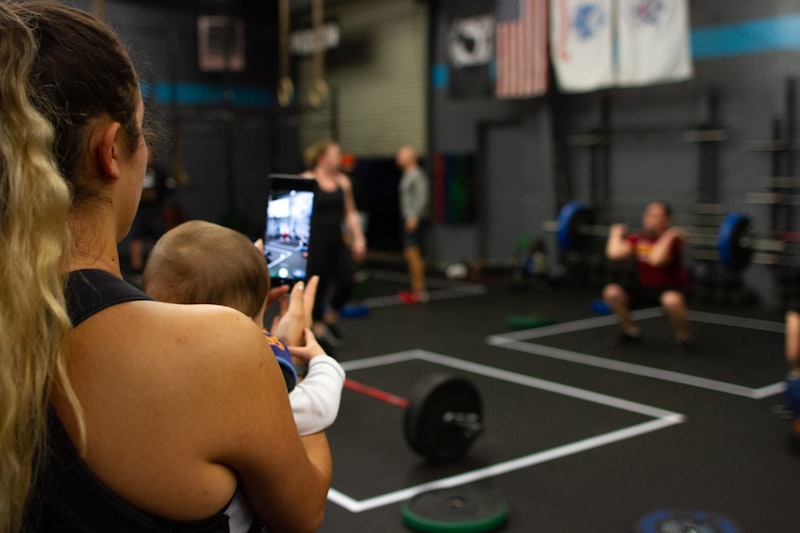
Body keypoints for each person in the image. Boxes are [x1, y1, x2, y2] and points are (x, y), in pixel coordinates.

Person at [0, 3, 331, 532]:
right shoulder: (224, 349)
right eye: (141, 131)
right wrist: (283, 357)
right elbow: (304, 512)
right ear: (111, 150)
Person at [142, 220, 346, 436]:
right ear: (242, 321)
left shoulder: (152, 364)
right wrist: (323, 362)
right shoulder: (244, 383)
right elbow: (318, 407)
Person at [302, 140, 367, 348]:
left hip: (336, 241)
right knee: (318, 286)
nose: (340, 158)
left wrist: (359, 238)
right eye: (336, 154)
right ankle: (318, 329)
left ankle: (331, 317)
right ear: (323, 158)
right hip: (315, 243)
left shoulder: (343, 182)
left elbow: (350, 213)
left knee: (347, 280)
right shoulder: (307, 179)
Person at [602, 201, 693, 351]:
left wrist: (669, 235)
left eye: (655, 216)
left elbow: (656, 260)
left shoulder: (672, 240)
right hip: (644, 286)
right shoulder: (638, 238)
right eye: (648, 214)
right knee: (611, 292)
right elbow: (614, 254)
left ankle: (684, 338)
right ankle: (630, 332)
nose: (649, 219)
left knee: (671, 300)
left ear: (666, 220)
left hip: (668, 287)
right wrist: (615, 233)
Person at [396, 145, 430, 304]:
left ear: (411, 158)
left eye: (401, 155)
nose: (398, 158)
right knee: (410, 253)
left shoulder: (417, 174)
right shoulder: (408, 174)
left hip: (413, 219)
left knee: (413, 252)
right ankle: (415, 288)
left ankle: (420, 290)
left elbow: (422, 196)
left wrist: (414, 217)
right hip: (408, 217)